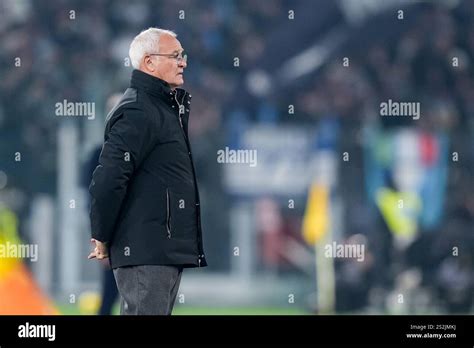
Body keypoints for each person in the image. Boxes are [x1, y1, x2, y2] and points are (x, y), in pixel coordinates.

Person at [87, 27, 207, 315]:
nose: (183, 62)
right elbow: (108, 178)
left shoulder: (160, 107)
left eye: (183, 55)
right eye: (175, 56)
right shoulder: (138, 110)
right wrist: (102, 234)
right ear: (149, 62)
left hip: (159, 249)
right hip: (145, 250)